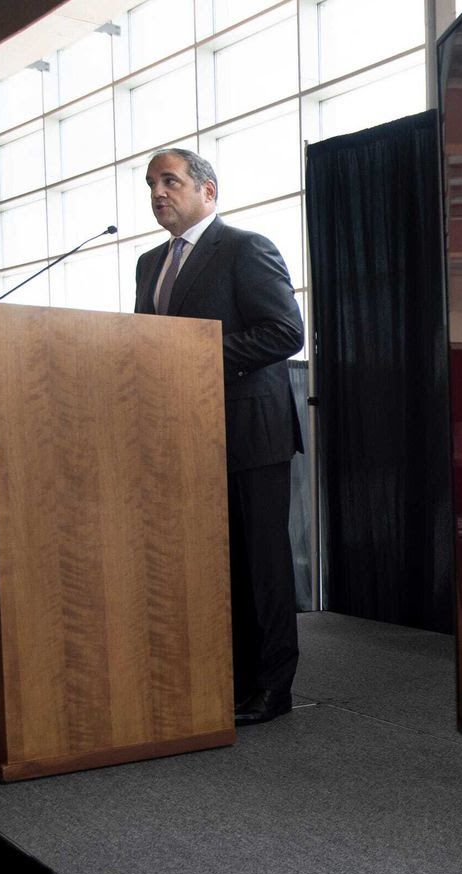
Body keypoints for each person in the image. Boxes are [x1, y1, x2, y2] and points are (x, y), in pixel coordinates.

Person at [136, 148, 304, 726]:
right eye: (151, 184)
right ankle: (230, 678)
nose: (158, 193)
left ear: (208, 191)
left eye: (170, 181)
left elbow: (284, 331)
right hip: (183, 433)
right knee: (214, 563)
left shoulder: (245, 247)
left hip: (251, 431)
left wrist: (193, 354)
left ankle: (274, 687)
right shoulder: (149, 263)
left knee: (261, 564)